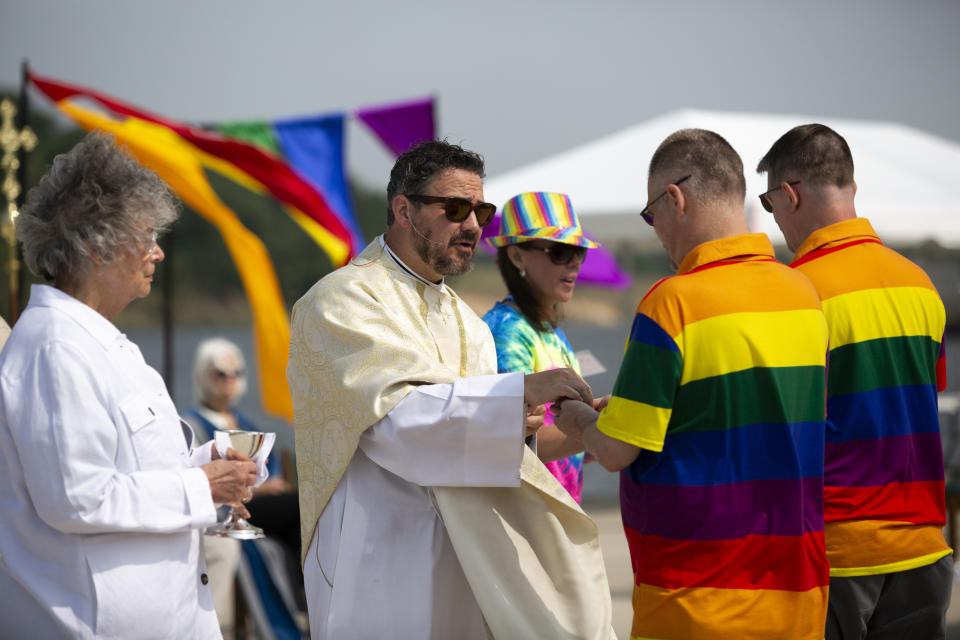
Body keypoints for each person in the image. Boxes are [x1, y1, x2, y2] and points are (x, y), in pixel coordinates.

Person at [288, 140, 615, 639]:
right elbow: (395, 426)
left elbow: (480, 441)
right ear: (404, 209)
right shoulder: (341, 300)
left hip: (468, 560)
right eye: (456, 208)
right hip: (377, 560)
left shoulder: (470, 324)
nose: (473, 226)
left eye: (480, 210)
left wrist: (532, 426)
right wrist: (518, 396)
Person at [554, 128, 831, 640]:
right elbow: (748, 416)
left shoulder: (672, 302)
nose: (655, 231)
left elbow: (614, 452)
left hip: (699, 601)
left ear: (675, 199)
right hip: (799, 594)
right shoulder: (804, 293)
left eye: (651, 214)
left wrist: (578, 419)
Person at [0, 132, 257, 640]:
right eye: (146, 237)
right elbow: (75, 497)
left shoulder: (102, 344)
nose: (157, 254)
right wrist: (200, 486)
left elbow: (130, 473)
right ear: (98, 247)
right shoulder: (56, 348)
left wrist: (205, 465)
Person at [757, 123, 952, 640]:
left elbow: (782, 431)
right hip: (926, 551)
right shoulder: (920, 284)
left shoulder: (799, 292)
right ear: (852, 189)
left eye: (770, 204)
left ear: (789, 195)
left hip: (837, 554)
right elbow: (921, 403)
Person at [182, 337, 303, 637]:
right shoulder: (191, 424)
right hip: (227, 508)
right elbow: (197, 473)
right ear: (202, 375)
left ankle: (307, 596)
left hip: (263, 507)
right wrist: (261, 489)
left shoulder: (246, 421)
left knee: (304, 522)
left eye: (236, 373)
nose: (229, 380)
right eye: (220, 373)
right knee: (300, 505)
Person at [483, 191, 598, 502]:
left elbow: (561, 448)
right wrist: (598, 430)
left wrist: (597, 421)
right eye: (560, 251)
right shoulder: (506, 332)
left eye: (578, 251)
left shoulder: (552, 335)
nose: (574, 262)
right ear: (517, 256)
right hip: (526, 529)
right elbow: (515, 443)